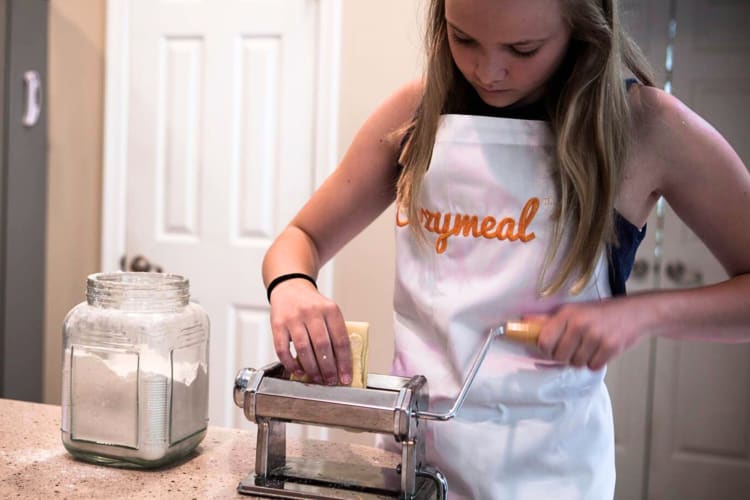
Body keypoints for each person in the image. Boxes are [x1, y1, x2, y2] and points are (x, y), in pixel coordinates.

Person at [261, 0, 750, 498]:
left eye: (523, 49)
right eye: (463, 39)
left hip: (551, 477)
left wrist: (643, 314)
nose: (487, 71)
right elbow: (301, 240)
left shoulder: (647, 128)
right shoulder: (416, 113)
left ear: (584, 29)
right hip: (412, 471)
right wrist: (292, 285)